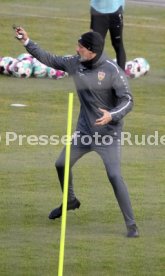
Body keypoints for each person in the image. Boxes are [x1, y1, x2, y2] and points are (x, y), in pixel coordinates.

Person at [14, 26, 139, 238]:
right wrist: (27, 41)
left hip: (108, 135)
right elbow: (50, 59)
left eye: (80, 47)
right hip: (84, 132)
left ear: (92, 51)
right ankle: (70, 200)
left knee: (115, 175)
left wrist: (111, 115)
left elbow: (128, 100)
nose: (76, 49)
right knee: (61, 164)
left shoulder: (111, 70)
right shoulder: (75, 63)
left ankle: (132, 226)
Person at [90, 0, 126, 70]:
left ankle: (121, 75)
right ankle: (94, 73)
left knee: (118, 44)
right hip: (98, 11)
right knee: (95, 45)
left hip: (116, 10)